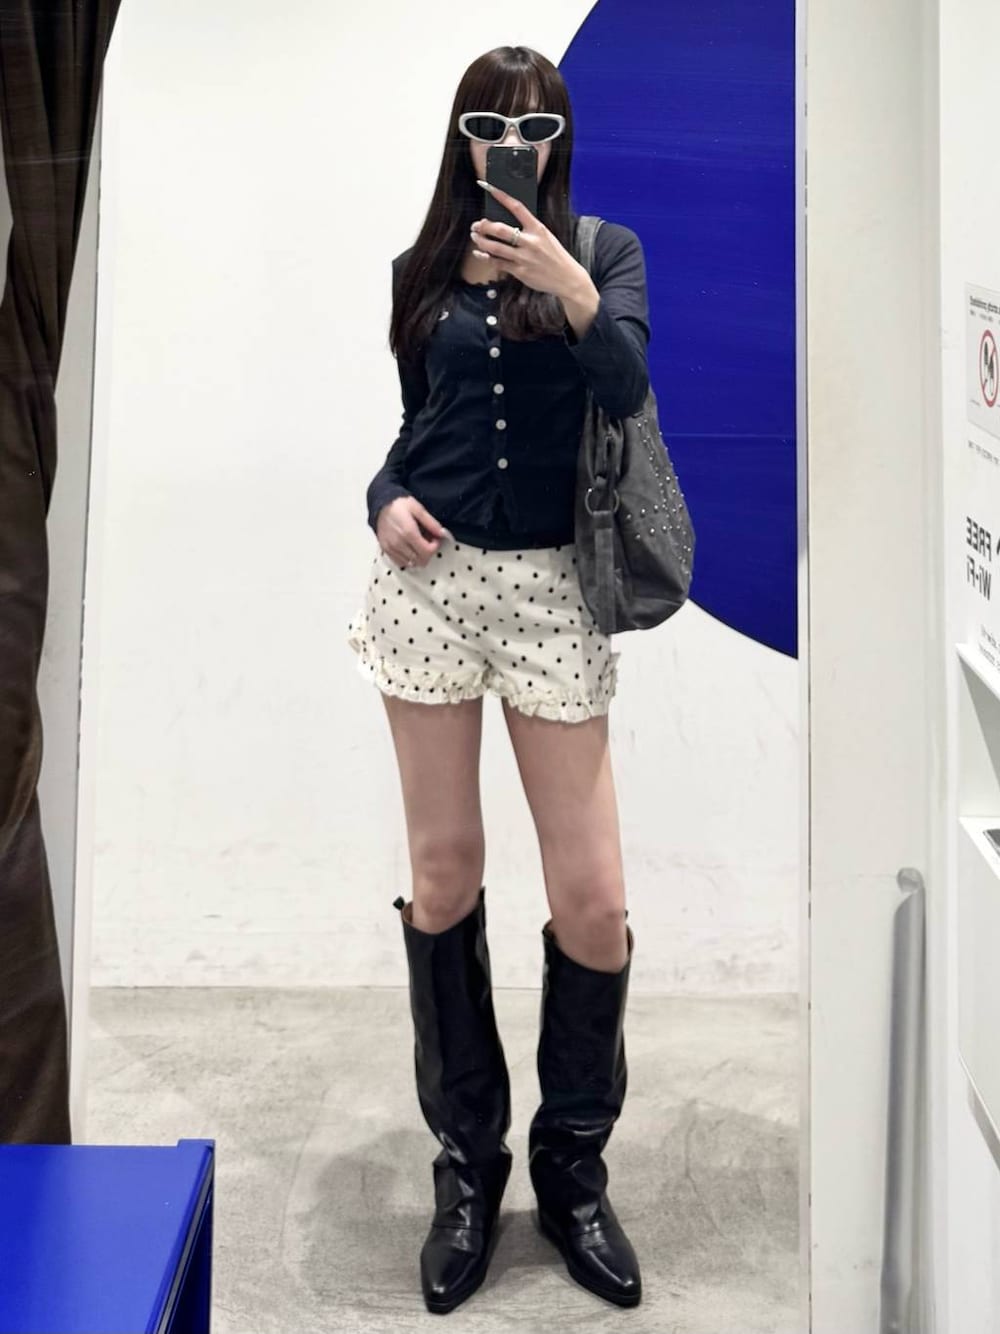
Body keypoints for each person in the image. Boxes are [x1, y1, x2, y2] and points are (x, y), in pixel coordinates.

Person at [346, 44, 649, 1315]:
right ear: (461, 137)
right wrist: (383, 499)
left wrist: (565, 285)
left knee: (593, 898)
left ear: (560, 137)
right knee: (443, 873)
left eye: (534, 126)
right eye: (488, 122)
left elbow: (625, 387)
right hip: (427, 588)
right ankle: (467, 1168)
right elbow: (414, 429)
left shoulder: (604, 253)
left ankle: (571, 1172)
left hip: (551, 594)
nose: (509, 144)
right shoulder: (419, 268)